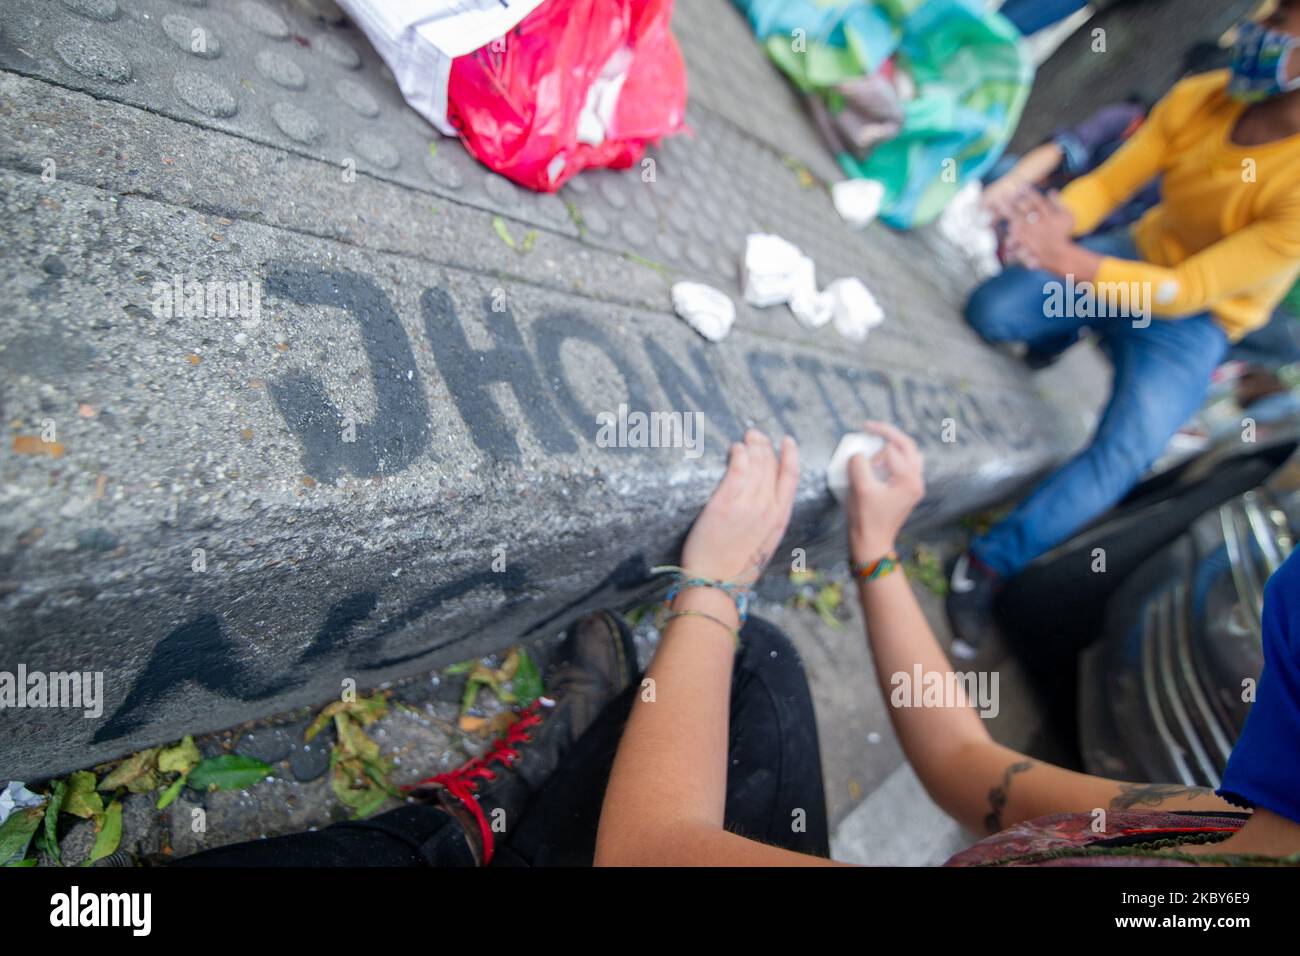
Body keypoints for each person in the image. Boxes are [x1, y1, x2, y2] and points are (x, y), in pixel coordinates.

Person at [177, 427, 1300, 866]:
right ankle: (497, 825)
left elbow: (652, 851)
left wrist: (709, 582)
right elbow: (969, 766)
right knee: (752, 675)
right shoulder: (1218, 838)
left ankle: (444, 844)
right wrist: (874, 547)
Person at [946, 0, 1300, 658]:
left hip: (1195, 322)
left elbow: (1188, 289)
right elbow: (1111, 183)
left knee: (1126, 452)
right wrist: (1058, 223)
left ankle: (989, 563)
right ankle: (1061, 332)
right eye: (1274, 17)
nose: (1264, 31)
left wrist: (1071, 261)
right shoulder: (1202, 97)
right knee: (993, 311)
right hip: (1130, 256)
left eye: (1285, 29)